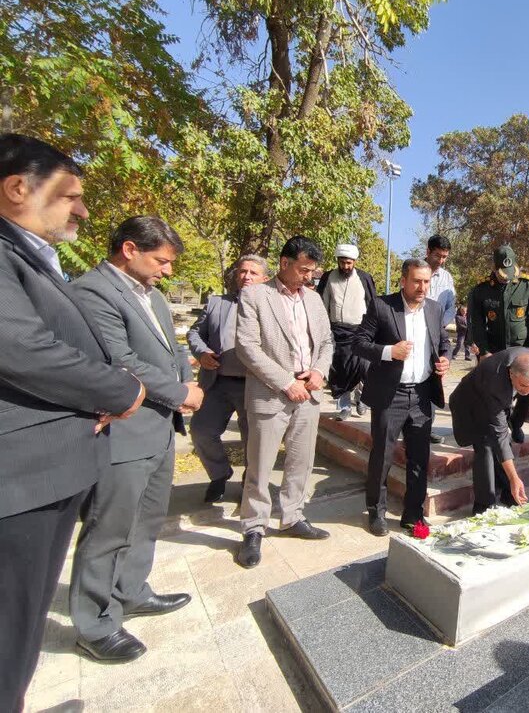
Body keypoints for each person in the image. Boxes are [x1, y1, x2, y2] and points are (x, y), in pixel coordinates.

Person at [0, 134, 144, 708]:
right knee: (10, 629)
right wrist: (122, 388)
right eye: (70, 196)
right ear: (17, 188)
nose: (83, 210)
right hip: (23, 477)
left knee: (22, 626)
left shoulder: (28, 256)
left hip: (46, 472)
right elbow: (23, 348)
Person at [70, 215, 203, 663]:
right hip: (122, 431)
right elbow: (120, 361)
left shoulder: (153, 296)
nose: (168, 270)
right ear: (130, 249)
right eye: (161, 261)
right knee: (108, 528)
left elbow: (174, 349)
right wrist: (181, 393)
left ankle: (131, 591)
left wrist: (187, 382)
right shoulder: (93, 292)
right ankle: (94, 624)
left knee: (146, 520)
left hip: (158, 429)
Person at [235, 236, 334, 568]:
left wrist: (319, 371)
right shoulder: (255, 295)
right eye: (304, 270)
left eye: (312, 271)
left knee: (301, 461)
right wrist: (286, 382)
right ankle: (253, 527)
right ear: (284, 263)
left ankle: (292, 516)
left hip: (309, 392)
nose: (308, 276)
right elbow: (247, 347)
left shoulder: (314, 299)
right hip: (271, 392)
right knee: (260, 466)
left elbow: (327, 341)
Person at [354, 259, 450, 535]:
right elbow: (359, 343)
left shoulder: (434, 309)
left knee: (419, 458)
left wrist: (445, 358)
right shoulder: (382, 306)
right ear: (403, 281)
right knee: (382, 456)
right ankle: (376, 511)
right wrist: (389, 352)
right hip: (390, 395)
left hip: (422, 394)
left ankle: (413, 513)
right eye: (416, 281)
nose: (422, 287)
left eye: (426, 282)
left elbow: (443, 342)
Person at [188, 255, 270, 503]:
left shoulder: (272, 307)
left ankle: (250, 483)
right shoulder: (216, 303)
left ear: (265, 279)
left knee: (254, 440)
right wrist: (201, 352)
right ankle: (219, 474)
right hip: (216, 382)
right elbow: (195, 333)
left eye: (253, 273)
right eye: (243, 271)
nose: (247, 276)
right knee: (201, 431)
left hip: (254, 384)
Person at [467, 245, 529, 443]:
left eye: (510, 273)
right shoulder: (481, 290)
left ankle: (516, 422)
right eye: (502, 274)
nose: (507, 278)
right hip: (495, 350)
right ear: (494, 268)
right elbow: (476, 324)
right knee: (495, 390)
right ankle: (498, 430)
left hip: (522, 349)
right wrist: (483, 351)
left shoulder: (526, 286)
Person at [449, 348, 529, 513]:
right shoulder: (495, 382)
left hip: (494, 400)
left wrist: (515, 424)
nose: (527, 391)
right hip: (470, 404)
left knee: (502, 444)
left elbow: (526, 397)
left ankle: (508, 493)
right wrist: (514, 477)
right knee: (486, 445)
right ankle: (483, 505)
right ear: (511, 374)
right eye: (523, 385)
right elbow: (500, 435)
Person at [318, 243, 377, 420]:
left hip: (360, 331)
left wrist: (373, 329)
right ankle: (344, 408)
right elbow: (321, 304)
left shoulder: (364, 278)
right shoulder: (328, 277)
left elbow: (373, 304)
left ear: (354, 262)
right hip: (337, 332)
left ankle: (362, 399)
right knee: (341, 370)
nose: (345, 266)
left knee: (363, 367)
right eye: (342, 262)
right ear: (337, 260)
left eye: (349, 263)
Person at [425, 234, 456, 444]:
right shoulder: (414, 269)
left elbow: (450, 306)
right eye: (438, 255)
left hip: (437, 337)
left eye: (445, 257)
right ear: (428, 251)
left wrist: (440, 326)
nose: (441, 260)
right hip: (414, 334)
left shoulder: (447, 278)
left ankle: (426, 428)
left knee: (434, 382)